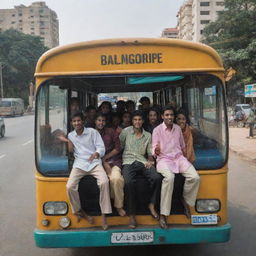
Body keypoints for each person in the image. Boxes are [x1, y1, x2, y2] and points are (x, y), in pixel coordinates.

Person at [58, 112, 112, 230]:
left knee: (104, 182)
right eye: (74, 121)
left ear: (83, 121)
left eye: (78, 121)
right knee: (70, 186)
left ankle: (104, 215)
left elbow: (101, 147)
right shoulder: (71, 135)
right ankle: (78, 210)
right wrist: (67, 141)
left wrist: (97, 153)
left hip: (94, 163)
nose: (77, 123)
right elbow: (70, 150)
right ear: (72, 123)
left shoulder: (93, 132)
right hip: (80, 164)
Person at [152, 106, 200, 229]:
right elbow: (153, 148)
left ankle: (185, 200)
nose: (169, 117)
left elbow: (182, 146)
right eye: (167, 115)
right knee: (169, 178)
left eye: (171, 115)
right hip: (164, 160)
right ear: (162, 116)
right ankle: (164, 214)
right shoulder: (157, 130)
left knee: (195, 177)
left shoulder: (178, 128)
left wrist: (185, 160)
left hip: (179, 158)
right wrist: (156, 151)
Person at [119, 111, 162, 228]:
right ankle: (132, 216)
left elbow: (149, 153)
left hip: (143, 161)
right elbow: (120, 146)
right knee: (128, 182)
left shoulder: (148, 135)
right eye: (135, 119)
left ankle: (152, 204)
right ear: (132, 121)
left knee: (157, 177)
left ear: (143, 121)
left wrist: (150, 162)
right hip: (128, 161)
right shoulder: (126, 132)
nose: (137, 122)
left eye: (139, 119)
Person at [95, 113, 126, 216]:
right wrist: (103, 163)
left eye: (103, 121)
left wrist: (105, 159)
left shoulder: (111, 132)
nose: (101, 123)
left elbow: (118, 148)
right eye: (99, 120)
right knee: (103, 182)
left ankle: (118, 206)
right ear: (95, 122)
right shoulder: (90, 133)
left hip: (113, 161)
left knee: (116, 179)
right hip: (96, 164)